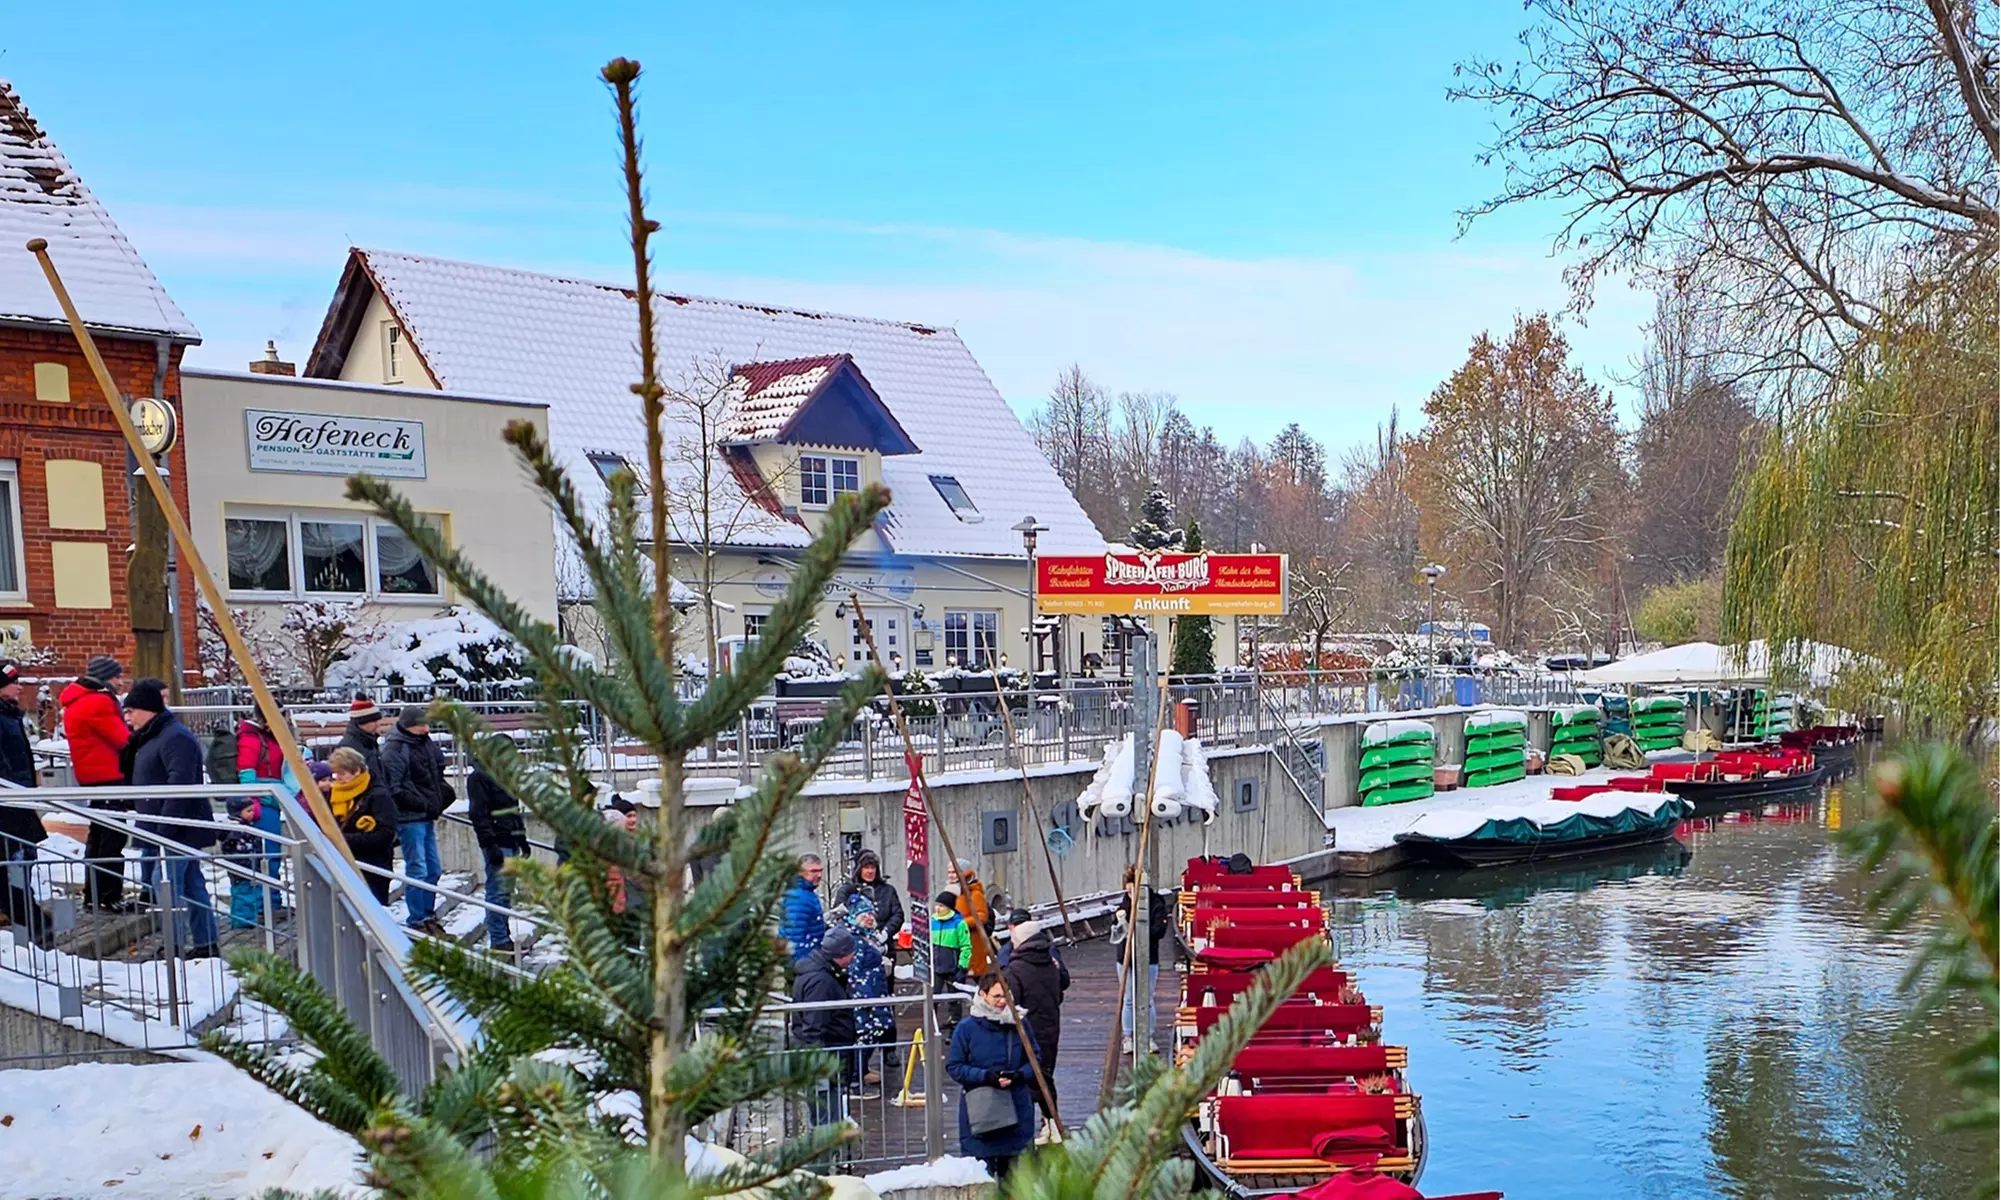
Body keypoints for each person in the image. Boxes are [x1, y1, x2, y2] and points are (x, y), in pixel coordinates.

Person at [124, 679, 218, 958]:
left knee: (165, 884)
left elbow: (180, 786)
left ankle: (175, 946)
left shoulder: (174, 737)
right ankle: (205, 943)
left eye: (131, 711)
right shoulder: (154, 736)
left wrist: (164, 830)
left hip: (175, 829)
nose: (127, 718)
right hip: (165, 827)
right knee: (190, 885)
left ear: (148, 709)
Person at [945, 972, 1038, 1179]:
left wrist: (1019, 1075)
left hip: (1016, 1110)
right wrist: (986, 1077)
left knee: (1012, 1182)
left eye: (1006, 995)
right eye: (996, 996)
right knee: (983, 1181)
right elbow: (954, 1066)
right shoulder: (966, 1029)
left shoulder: (1019, 1024)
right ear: (983, 995)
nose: (1002, 1001)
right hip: (981, 1113)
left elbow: (1035, 1059)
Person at [61, 656, 130, 909]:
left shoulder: (75, 701)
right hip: (109, 776)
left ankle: (94, 894)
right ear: (105, 678)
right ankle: (108, 896)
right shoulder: (98, 701)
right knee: (113, 838)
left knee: (98, 836)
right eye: (116, 677)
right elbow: (123, 739)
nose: (120, 682)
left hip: (91, 777)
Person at [380, 705, 449, 936]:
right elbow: (395, 788)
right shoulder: (395, 749)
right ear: (411, 726)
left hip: (426, 814)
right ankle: (417, 919)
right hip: (410, 818)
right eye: (422, 725)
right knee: (418, 868)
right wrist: (423, 803)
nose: (427, 728)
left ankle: (427, 914)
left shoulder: (423, 742)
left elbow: (436, 769)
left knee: (433, 869)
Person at [1001, 916, 1069, 1139]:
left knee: (1026, 1077)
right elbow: (1059, 991)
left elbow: (1011, 1004)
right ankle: (1052, 1122)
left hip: (1026, 1029)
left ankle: (1028, 1128)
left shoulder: (1015, 969)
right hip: (1050, 1025)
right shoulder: (1051, 963)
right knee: (1045, 1075)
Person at [0, 660, 48, 946]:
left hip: (20, 800)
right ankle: (32, 923)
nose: (19, 687)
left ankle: (32, 922)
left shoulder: (11, 716)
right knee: (13, 864)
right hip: (9, 803)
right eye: (13, 682)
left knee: (25, 859)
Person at [791, 925, 861, 1118]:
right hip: (827, 1059)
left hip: (828, 1054)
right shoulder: (821, 982)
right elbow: (813, 1027)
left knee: (828, 1110)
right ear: (841, 954)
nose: (853, 956)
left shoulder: (820, 972)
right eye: (850, 952)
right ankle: (830, 1147)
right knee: (826, 1114)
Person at [226, 714, 287, 928]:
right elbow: (247, 772)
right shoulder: (252, 739)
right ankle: (264, 905)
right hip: (263, 804)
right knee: (267, 854)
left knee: (272, 854)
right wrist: (257, 802)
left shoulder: (263, 737)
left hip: (268, 801)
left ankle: (271, 901)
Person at [466, 765, 527, 952]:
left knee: (506, 891)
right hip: (498, 841)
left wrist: (522, 838)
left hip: (511, 840)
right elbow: (479, 814)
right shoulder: (479, 777)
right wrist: (490, 844)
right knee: (497, 891)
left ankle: (503, 935)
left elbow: (513, 811)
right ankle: (498, 938)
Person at [325, 747, 397, 905]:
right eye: (335, 773)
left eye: (342, 773)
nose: (337, 778)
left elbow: (385, 834)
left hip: (372, 866)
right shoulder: (335, 793)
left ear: (357, 771)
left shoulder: (378, 795)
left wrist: (343, 840)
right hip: (343, 864)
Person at [840, 893, 897, 1087]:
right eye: (865, 915)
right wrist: (866, 1001)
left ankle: (862, 1071)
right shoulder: (855, 941)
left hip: (875, 992)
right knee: (866, 1036)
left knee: (873, 1034)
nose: (870, 918)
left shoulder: (865, 936)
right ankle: (856, 1080)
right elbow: (854, 973)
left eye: (871, 914)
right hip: (866, 998)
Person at [1117, 864, 1172, 1053]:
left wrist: (1139, 932)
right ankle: (1128, 1036)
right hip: (1126, 956)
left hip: (1149, 957)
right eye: (1128, 889)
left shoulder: (1156, 903)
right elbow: (1115, 924)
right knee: (1129, 998)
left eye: (1134, 889)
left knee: (1147, 998)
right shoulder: (1124, 903)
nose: (1130, 893)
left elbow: (1159, 930)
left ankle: (1147, 1036)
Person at [836, 849, 905, 950]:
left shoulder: (888, 890)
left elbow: (897, 915)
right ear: (859, 869)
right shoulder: (847, 891)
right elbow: (840, 915)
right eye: (866, 867)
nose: (870, 871)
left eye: (873, 867)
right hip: (854, 946)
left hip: (884, 946)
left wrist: (885, 932)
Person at [929, 889, 973, 1032]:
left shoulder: (958, 923)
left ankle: (955, 1027)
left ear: (949, 907)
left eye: (941, 906)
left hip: (953, 968)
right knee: (933, 996)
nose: (938, 908)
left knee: (954, 1000)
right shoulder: (933, 921)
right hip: (936, 967)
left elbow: (966, 946)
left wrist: (962, 967)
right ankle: (932, 1025)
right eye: (937, 905)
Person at [947, 858, 994, 976]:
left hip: (972, 942)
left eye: (954, 872)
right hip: (956, 942)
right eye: (949, 872)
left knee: (972, 977)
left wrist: (960, 923)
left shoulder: (974, 893)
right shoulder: (953, 890)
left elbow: (982, 916)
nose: (951, 876)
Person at [778, 853, 827, 962]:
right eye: (814, 871)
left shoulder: (807, 893)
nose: (819, 875)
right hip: (804, 963)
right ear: (800, 873)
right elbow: (794, 936)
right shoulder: (798, 897)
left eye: (820, 871)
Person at [338, 698, 387, 777]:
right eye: (373, 721)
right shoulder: (348, 747)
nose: (378, 724)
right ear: (362, 722)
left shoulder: (370, 741)